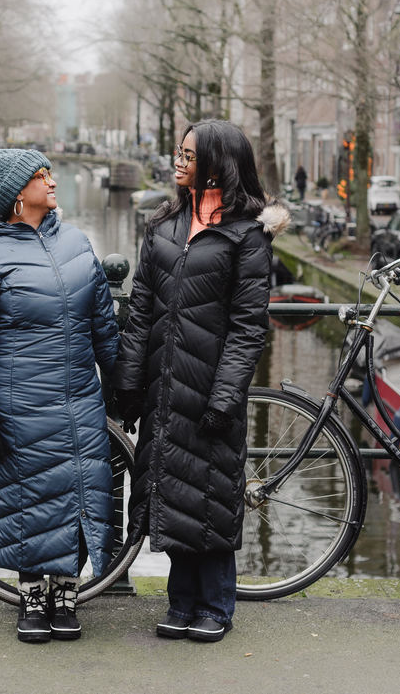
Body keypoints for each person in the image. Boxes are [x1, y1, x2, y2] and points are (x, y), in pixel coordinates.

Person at [113, 120, 288, 643]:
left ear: (217, 163)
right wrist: (127, 380)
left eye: (188, 154)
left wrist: (226, 396)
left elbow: (247, 326)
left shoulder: (248, 235)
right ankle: (181, 601)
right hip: (164, 387)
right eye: (179, 152)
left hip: (211, 387)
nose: (178, 160)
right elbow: (141, 307)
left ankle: (215, 605)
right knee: (172, 490)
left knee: (210, 491)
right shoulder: (164, 224)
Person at [0, 145, 119, 644]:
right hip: (19, 408)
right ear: (16, 194)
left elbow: (104, 329)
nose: (53, 182)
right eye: (42, 176)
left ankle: (66, 593)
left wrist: (121, 390)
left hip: (79, 402)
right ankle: (32, 596)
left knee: (78, 498)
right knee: (28, 504)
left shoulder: (77, 243)